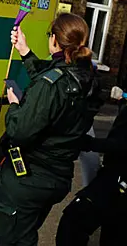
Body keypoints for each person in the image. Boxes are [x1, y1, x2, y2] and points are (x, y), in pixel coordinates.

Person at [0, 13, 95, 246]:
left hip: (31, 177)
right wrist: (25, 51)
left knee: (14, 240)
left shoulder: (52, 84)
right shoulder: (86, 77)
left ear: (55, 40)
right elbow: (53, 77)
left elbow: (20, 131)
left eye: (50, 35)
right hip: (57, 177)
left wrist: (16, 107)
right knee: (26, 232)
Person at [55, 84, 127, 246]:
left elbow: (121, 144)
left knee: (74, 222)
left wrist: (87, 142)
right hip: (115, 175)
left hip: (118, 178)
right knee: (114, 230)